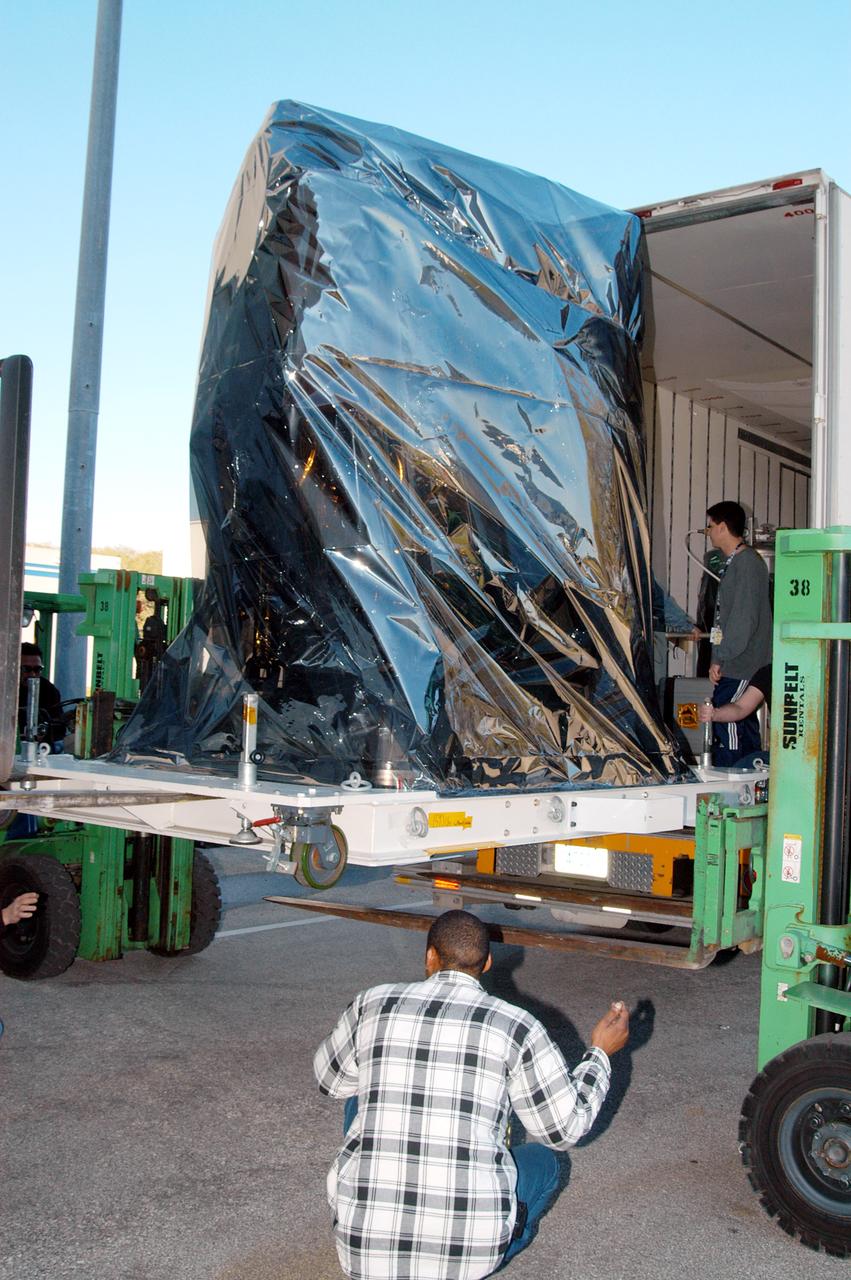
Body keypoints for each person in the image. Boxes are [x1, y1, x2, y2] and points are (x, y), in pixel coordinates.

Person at [313, 909, 629, 1280]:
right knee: (546, 1160)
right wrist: (600, 1054)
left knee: (358, 1092)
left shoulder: (373, 1003)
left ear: (430, 956)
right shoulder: (517, 1026)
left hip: (361, 1254)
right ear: (488, 963)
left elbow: (329, 1081)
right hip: (467, 1260)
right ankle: (484, 1240)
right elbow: (564, 1130)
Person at [704, 502, 772, 766]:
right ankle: (752, 772)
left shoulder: (747, 565)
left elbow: (742, 620)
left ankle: (731, 772)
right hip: (732, 660)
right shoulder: (734, 564)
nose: (708, 531)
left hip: (742, 662)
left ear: (723, 527)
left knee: (729, 725)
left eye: (710, 526)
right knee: (744, 725)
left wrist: (722, 656)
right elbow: (724, 617)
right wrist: (715, 656)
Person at [18, 642, 64, 748]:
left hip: (42, 749)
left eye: (37, 669)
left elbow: (59, 727)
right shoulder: (6, 689)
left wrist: (45, 732)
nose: (32, 674)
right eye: (26, 669)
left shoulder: (49, 690)